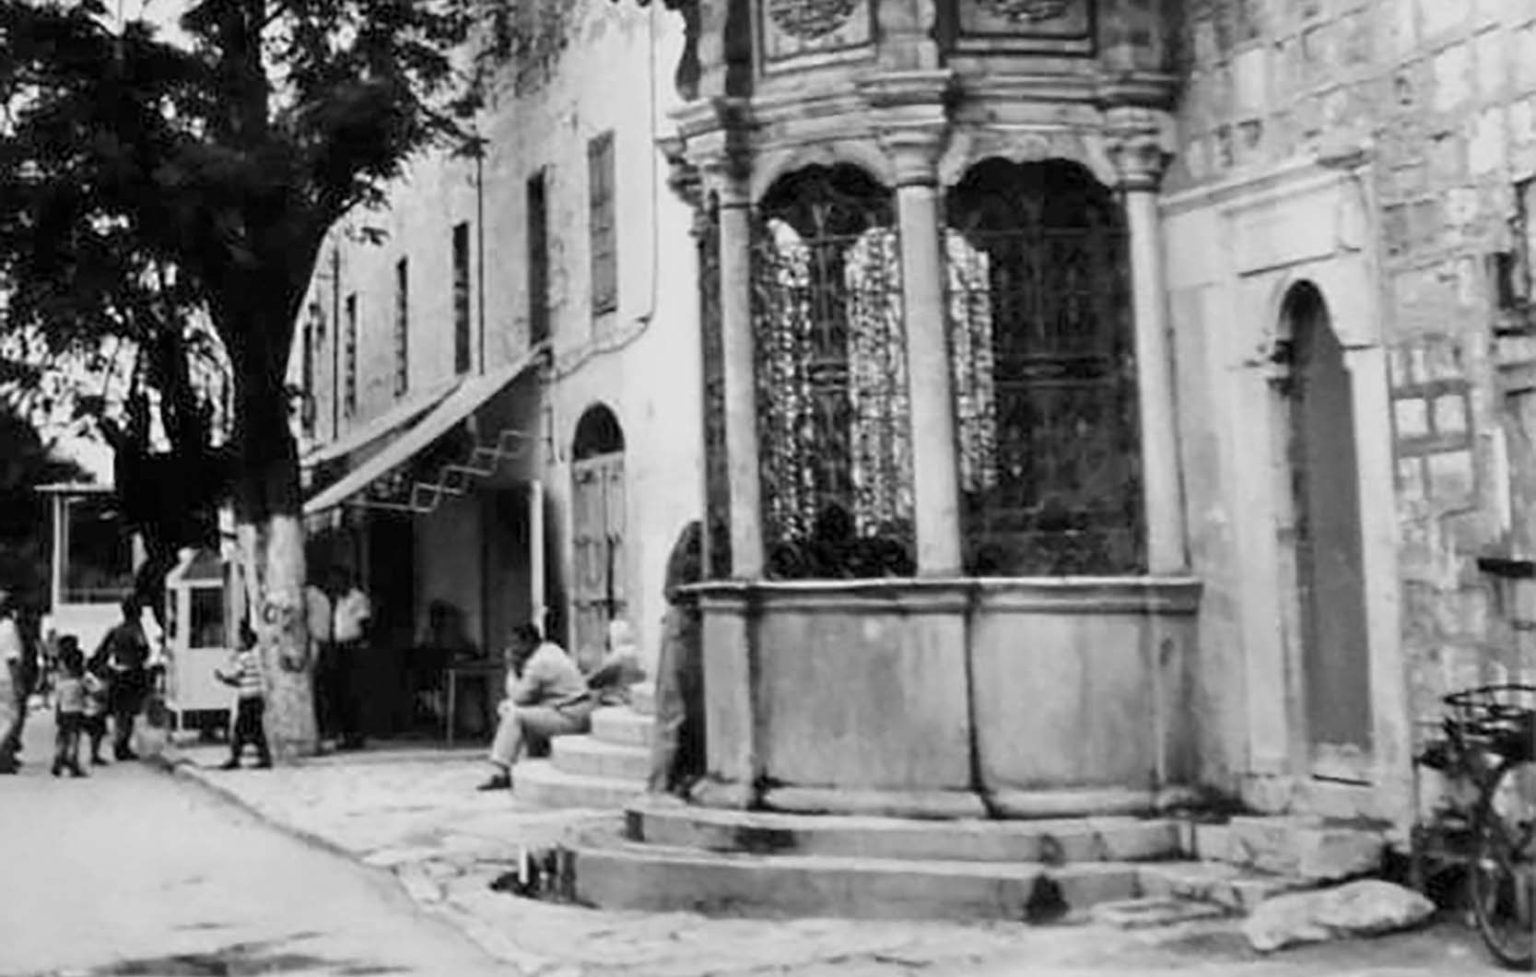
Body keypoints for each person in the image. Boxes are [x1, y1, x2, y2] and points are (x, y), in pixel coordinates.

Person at [476, 623, 594, 792]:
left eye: (516, 644)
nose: (512, 649)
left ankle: (501, 769)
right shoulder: (551, 649)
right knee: (524, 712)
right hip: (573, 709)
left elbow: (518, 696)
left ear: (528, 643)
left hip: (570, 716)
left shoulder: (539, 663)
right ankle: (534, 758)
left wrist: (512, 668)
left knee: (514, 715)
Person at [647, 521, 706, 797]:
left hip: (680, 630)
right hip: (684, 632)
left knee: (674, 715)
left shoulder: (685, 552)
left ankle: (665, 782)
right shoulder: (694, 555)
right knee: (675, 715)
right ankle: (661, 785)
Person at [91, 595, 152, 761]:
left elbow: (101, 652)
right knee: (128, 712)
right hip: (132, 674)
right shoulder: (136, 630)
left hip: (116, 674)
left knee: (120, 712)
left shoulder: (116, 630)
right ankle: (122, 745)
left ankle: (120, 743)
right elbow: (144, 651)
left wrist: (102, 670)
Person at [216, 621, 272, 770]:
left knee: (240, 730)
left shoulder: (244, 658)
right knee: (256, 730)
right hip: (257, 697)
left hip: (248, 698)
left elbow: (238, 677)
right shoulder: (254, 657)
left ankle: (236, 758)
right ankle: (264, 757)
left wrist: (223, 679)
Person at [329, 567, 372, 750]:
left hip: (353, 646)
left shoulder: (357, 598)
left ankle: (355, 735)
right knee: (340, 693)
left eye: (337, 580)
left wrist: (363, 642)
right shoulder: (338, 600)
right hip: (340, 647)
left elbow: (365, 622)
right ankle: (344, 734)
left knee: (352, 691)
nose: (334, 585)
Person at [0, 589, 30, 774]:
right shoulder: (8, 627)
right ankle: (3, 758)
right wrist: (18, 683)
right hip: (5, 679)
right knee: (10, 719)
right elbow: (12, 659)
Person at [304, 575, 335, 740]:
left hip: (315, 643)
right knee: (321, 689)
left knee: (316, 689)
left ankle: (322, 728)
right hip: (322, 642)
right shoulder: (323, 598)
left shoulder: (310, 596)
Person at [51, 642, 87, 778]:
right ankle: (73, 761)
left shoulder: (60, 683)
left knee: (62, 736)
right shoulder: (79, 683)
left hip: (63, 711)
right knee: (74, 738)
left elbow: (58, 700)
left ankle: (59, 758)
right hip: (76, 712)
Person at [79, 638, 110, 766]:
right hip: (92, 709)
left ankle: (94, 755)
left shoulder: (90, 678)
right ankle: (94, 755)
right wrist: (103, 693)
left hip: (95, 708)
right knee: (96, 733)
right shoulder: (90, 679)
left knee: (97, 734)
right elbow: (96, 693)